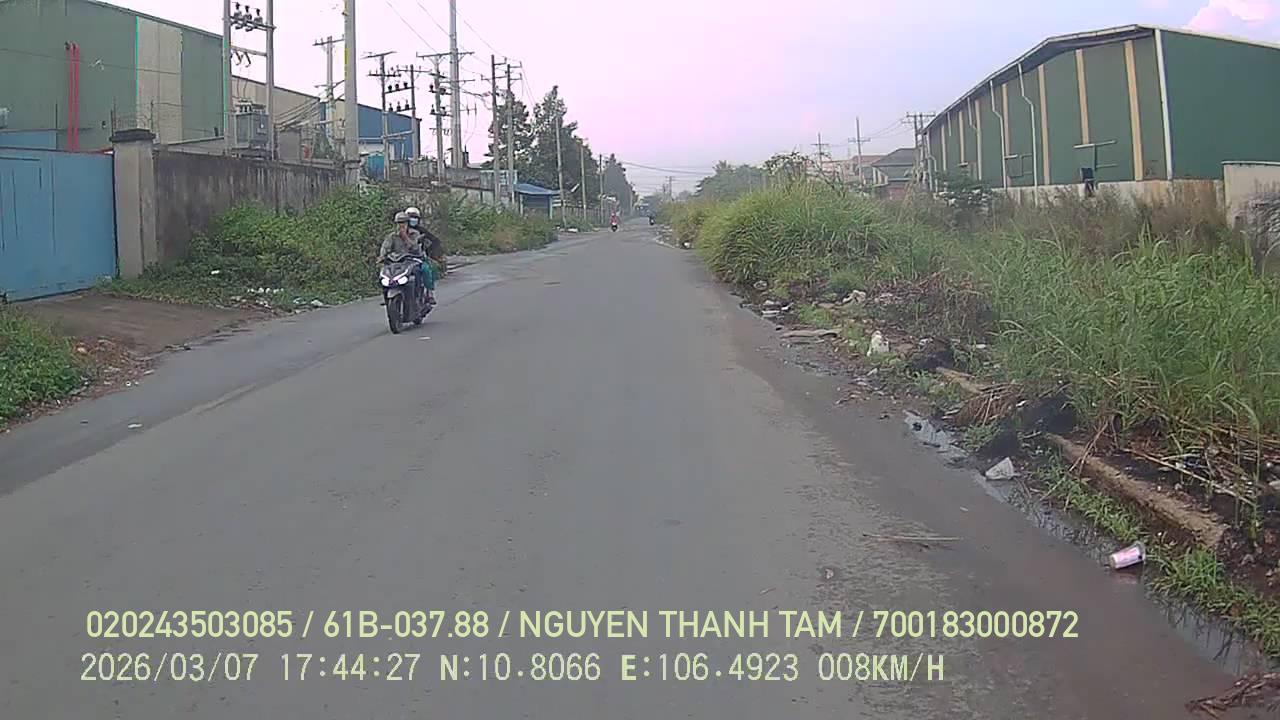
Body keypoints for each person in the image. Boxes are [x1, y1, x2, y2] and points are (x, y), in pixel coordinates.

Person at [379, 211, 434, 307]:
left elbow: (415, 248)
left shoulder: (415, 234)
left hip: (413, 260)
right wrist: (382, 256)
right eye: (399, 223)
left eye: (403, 223)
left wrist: (405, 237)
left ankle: (425, 294)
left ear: (407, 223)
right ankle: (386, 295)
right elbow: (385, 247)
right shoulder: (392, 236)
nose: (401, 225)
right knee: (384, 274)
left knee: (423, 270)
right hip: (397, 262)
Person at [406, 206, 446, 285]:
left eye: (415, 218)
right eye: (411, 217)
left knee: (428, 270)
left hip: (418, 257)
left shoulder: (421, 231)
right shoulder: (399, 232)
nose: (413, 219)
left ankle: (427, 289)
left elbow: (435, 240)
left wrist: (431, 253)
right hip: (401, 258)